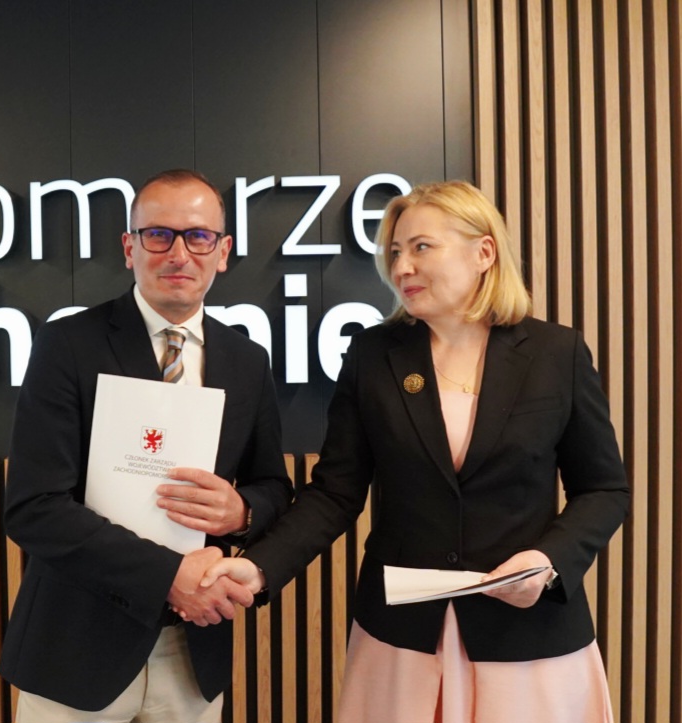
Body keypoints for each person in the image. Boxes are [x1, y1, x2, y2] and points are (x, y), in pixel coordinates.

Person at [204, 180, 630, 722]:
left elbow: (603, 490)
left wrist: (548, 564)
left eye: (421, 247)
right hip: (403, 641)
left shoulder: (556, 353)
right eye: (395, 252)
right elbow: (335, 494)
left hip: (528, 637)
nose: (402, 267)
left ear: (484, 252)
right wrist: (260, 567)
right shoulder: (372, 354)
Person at [0, 169, 294, 723]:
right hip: (76, 648)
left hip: (194, 651)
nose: (179, 253)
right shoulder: (68, 344)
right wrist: (167, 578)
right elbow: (34, 508)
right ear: (129, 247)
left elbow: (274, 487)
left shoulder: (247, 361)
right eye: (158, 235)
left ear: (222, 252)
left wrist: (242, 510)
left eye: (198, 236)